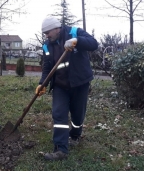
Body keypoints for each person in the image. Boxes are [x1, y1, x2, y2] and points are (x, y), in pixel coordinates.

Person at [36, 16, 98, 160]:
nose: (46, 36)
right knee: (59, 113)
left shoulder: (75, 32)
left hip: (80, 83)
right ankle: (61, 148)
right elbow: (47, 67)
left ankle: (75, 135)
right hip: (60, 85)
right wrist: (42, 83)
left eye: (48, 33)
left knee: (77, 115)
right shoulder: (47, 46)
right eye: (45, 33)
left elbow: (94, 44)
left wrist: (77, 41)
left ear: (57, 29)